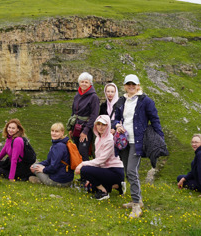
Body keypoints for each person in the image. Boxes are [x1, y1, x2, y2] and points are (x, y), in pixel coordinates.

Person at [112, 74, 165, 218]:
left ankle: (136, 206)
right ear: (124, 86)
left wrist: (160, 137)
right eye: (128, 84)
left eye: (133, 84)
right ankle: (138, 200)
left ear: (138, 85)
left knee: (131, 171)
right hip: (123, 142)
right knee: (127, 170)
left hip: (137, 141)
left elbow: (155, 119)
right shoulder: (121, 101)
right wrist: (117, 125)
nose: (131, 86)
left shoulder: (146, 101)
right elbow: (115, 118)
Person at [75, 115, 125, 200]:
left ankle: (104, 192)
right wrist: (90, 178)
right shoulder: (98, 138)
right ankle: (117, 186)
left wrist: (82, 163)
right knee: (90, 188)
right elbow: (98, 160)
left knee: (84, 169)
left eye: (103, 125)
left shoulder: (110, 140)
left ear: (108, 125)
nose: (100, 127)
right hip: (105, 169)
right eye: (98, 124)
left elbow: (101, 160)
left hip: (115, 171)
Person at [29, 123, 74, 187]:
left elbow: (54, 167)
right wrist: (40, 165)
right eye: (52, 131)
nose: (54, 133)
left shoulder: (59, 146)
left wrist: (43, 169)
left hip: (60, 181)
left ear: (62, 132)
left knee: (34, 167)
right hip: (66, 179)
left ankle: (42, 181)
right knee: (36, 164)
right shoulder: (62, 142)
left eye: (57, 131)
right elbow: (48, 161)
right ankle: (41, 177)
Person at [68, 72, 99, 162]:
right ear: (79, 83)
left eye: (86, 82)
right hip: (76, 127)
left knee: (83, 152)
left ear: (90, 83)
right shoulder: (77, 95)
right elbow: (73, 112)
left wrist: (85, 131)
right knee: (76, 150)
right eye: (82, 82)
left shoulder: (94, 97)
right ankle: (80, 173)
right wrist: (71, 128)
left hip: (86, 128)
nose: (84, 84)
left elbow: (94, 115)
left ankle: (87, 174)